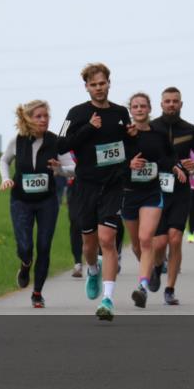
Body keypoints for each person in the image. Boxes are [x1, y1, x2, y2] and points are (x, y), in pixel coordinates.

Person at [56, 63, 137, 321]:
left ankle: (108, 299)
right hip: (85, 186)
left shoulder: (121, 113)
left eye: (102, 83)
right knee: (89, 245)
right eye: (93, 85)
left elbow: (128, 146)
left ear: (109, 83)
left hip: (112, 185)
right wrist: (89, 127)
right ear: (87, 87)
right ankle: (92, 269)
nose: (99, 88)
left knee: (107, 240)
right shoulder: (77, 113)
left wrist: (133, 137)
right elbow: (61, 144)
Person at [0, 100, 70, 308]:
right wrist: (5, 178)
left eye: (46, 116)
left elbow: (73, 167)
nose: (43, 120)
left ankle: (37, 292)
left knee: (44, 246)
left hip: (47, 201)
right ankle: (25, 263)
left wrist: (60, 170)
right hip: (21, 200)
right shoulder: (17, 140)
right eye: (38, 116)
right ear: (28, 119)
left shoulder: (55, 141)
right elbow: (4, 160)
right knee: (26, 246)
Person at [148, 87, 194, 305]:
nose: (171, 104)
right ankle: (156, 267)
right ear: (161, 104)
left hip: (181, 190)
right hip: (156, 189)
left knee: (175, 238)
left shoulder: (189, 129)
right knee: (160, 242)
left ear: (181, 104)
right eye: (167, 101)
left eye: (175, 101)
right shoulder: (152, 128)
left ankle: (170, 289)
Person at [123, 93, 180, 309]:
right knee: (137, 246)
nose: (139, 109)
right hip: (129, 193)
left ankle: (142, 288)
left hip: (152, 192)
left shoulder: (159, 134)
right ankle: (154, 269)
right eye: (135, 106)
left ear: (149, 109)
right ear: (131, 110)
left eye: (143, 106)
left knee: (146, 239)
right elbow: (115, 162)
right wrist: (129, 164)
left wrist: (175, 166)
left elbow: (168, 157)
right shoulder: (124, 135)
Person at [54, 151, 84, 277]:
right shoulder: (67, 143)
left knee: (98, 223)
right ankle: (77, 262)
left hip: (95, 185)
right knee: (75, 222)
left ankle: (103, 257)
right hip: (74, 187)